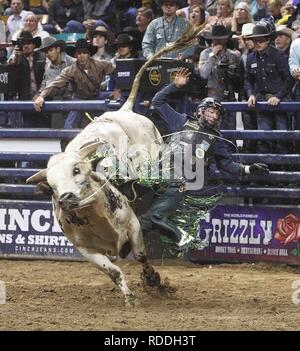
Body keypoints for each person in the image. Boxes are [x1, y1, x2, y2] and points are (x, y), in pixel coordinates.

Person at [140, 68, 269, 243]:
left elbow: (228, 165)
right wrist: (175, 86)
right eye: (211, 110)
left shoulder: (216, 139)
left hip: (182, 181)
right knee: (136, 190)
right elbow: (158, 101)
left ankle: (170, 234)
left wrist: (248, 168)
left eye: (217, 113)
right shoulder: (181, 120)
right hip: (159, 170)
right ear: (201, 110)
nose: (214, 115)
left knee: (163, 206)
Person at [33, 38, 115, 128]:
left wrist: (117, 90)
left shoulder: (100, 65)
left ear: (89, 54)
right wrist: (42, 96)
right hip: (80, 98)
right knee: (69, 125)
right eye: (79, 53)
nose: (82, 56)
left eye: (84, 53)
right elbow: (55, 83)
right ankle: (66, 140)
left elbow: (116, 71)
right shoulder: (71, 70)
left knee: (115, 100)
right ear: (75, 55)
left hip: (97, 95)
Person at [245, 22, 292, 154]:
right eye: (255, 40)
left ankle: (285, 169)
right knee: (264, 137)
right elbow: (247, 80)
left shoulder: (278, 55)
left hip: (280, 102)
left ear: (267, 40)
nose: (257, 43)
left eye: (261, 40)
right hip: (262, 102)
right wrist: (251, 94)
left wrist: (278, 96)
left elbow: (289, 78)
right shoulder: (250, 59)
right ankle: (267, 168)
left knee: (282, 138)